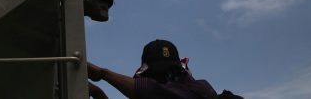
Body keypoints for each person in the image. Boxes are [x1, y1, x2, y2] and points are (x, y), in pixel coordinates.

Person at [86, 39, 218, 99]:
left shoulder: (202, 89)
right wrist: (98, 93)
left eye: (172, 73)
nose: (167, 79)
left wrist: (104, 74)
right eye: (157, 74)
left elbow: (157, 92)